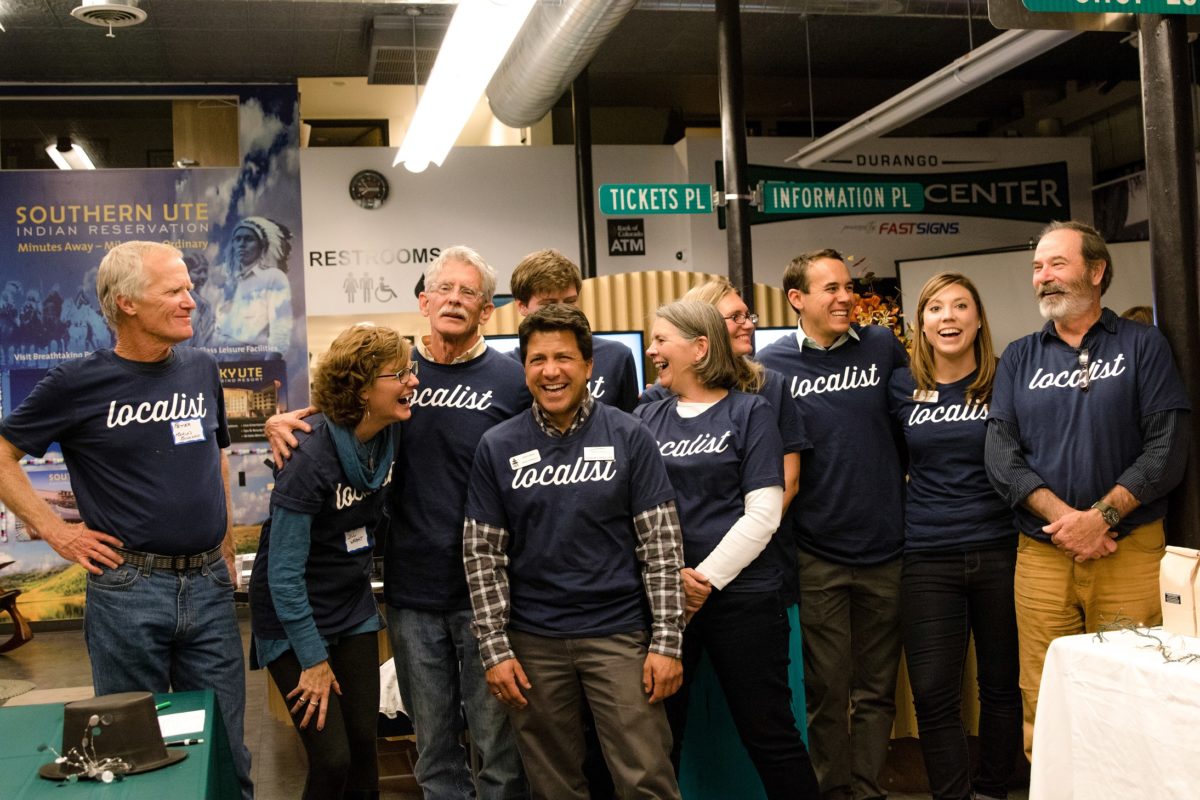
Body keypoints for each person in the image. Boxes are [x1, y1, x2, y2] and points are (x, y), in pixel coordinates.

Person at [267, 245, 530, 800]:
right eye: (446, 290)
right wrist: (277, 420)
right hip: (411, 596)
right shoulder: (393, 379)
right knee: (432, 750)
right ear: (424, 300)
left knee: (497, 752)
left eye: (470, 293)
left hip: (486, 595)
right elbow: (328, 417)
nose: (455, 300)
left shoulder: (512, 382)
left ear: (487, 310)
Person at [0, 241, 253, 798]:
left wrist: (228, 546)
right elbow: (3, 454)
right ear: (126, 303)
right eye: (175, 290)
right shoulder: (76, 383)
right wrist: (55, 530)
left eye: (189, 288)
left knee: (228, 751)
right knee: (130, 755)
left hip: (208, 585)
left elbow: (215, 454)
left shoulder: (202, 367)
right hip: (128, 591)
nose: (192, 300)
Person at [984, 220, 1191, 760]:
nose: (1043, 277)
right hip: (1042, 555)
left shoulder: (1143, 346)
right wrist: (1068, 521)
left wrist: (1101, 517)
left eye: (1057, 264)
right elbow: (1001, 456)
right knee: (1046, 694)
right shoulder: (1019, 357)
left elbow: (1167, 448)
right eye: (1037, 267)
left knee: (1134, 691)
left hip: (1129, 551)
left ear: (1097, 271)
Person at [463, 303, 685, 800]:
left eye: (563, 357)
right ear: (524, 370)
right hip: (533, 644)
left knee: (646, 779)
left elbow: (662, 543)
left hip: (620, 637)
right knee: (554, 788)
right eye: (537, 359)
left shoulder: (630, 436)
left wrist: (667, 641)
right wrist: (495, 649)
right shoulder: (497, 446)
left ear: (588, 366)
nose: (551, 371)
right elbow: (482, 556)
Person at [636, 300, 819, 799]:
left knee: (771, 735)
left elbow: (764, 511)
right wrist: (673, 583)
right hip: (665, 604)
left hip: (744, 600)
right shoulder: (645, 417)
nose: (650, 350)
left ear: (699, 347)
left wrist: (702, 581)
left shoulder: (750, 409)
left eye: (660, 340)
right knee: (656, 741)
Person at [756, 248, 908, 800]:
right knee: (826, 687)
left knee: (876, 689)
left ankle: (867, 789)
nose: (846, 297)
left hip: (886, 547)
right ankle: (832, 791)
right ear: (797, 299)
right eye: (831, 289)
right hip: (817, 553)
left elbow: (908, 429)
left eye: (848, 286)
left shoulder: (883, 347)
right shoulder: (770, 368)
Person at [250, 324, 418, 800]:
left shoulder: (389, 435)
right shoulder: (309, 455)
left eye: (411, 370)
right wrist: (313, 659)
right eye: (400, 374)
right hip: (291, 618)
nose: (413, 382)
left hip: (351, 607)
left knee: (366, 749)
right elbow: (282, 575)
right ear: (363, 389)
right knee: (332, 759)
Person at [888, 273, 1020, 800]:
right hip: (926, 556)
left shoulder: (1006, 379)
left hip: (1002, 549)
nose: (949, 317)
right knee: (934, 694)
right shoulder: (900, 386)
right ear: (920, 323)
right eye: (936, 308)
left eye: (961, 306)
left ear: (979, 318)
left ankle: (993, 790)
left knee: (1002, 688)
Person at [642, 277, 806, 512]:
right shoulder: (657, 400)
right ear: (704, 326)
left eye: (748, 315)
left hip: (762, 537)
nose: (749, 325)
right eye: (735, 317)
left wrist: (748, 541)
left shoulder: (768, 386)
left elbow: (789, 481)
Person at [508, 248, 639, 412]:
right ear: (522, 306)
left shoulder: (617, 356)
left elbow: (628, 426)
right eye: (550, 304)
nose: (562, 311)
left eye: (570, 302)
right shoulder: (506, 368)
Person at [216, 216, 293, 358]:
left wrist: (269, 365)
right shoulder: (227, 282)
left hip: (256, 364)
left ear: (262, 245)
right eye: (237, 239)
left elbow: (281, 327)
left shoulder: (273, 277)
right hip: (224, 365)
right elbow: (217, 330)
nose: (241, 244)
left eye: (248, 239)